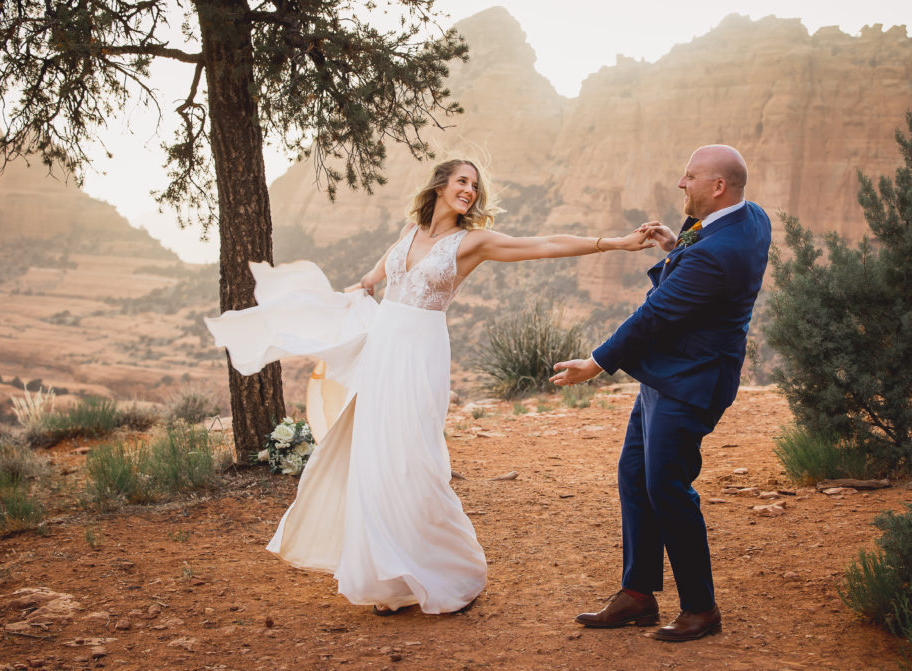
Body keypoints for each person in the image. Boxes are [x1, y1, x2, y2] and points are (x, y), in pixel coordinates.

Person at [206, 158, 660, 616]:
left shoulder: (472, 243)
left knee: (414, 461)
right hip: (382, 350)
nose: (469, 190)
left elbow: (542, 244)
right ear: (441, 185)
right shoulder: (410, 229)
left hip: (420, 355)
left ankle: (449, 570)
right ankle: (392, 579)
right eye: (462, 181)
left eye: (474, 185)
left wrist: (615, 243)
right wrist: (361, 285)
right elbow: (382, 270)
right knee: (376, 459)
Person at [550, 145, 771, 641]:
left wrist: (595, 364)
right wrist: (677, 247)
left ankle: (700, 608)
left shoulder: (720, 253)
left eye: (689, 176)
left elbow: (655, 316)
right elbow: (702, 262)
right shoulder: (750, 217)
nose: (679, 183)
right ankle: (638, 593)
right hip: (666, 373)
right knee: (634, 474)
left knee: (667, 487)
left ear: (717, 187)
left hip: (691, 381)